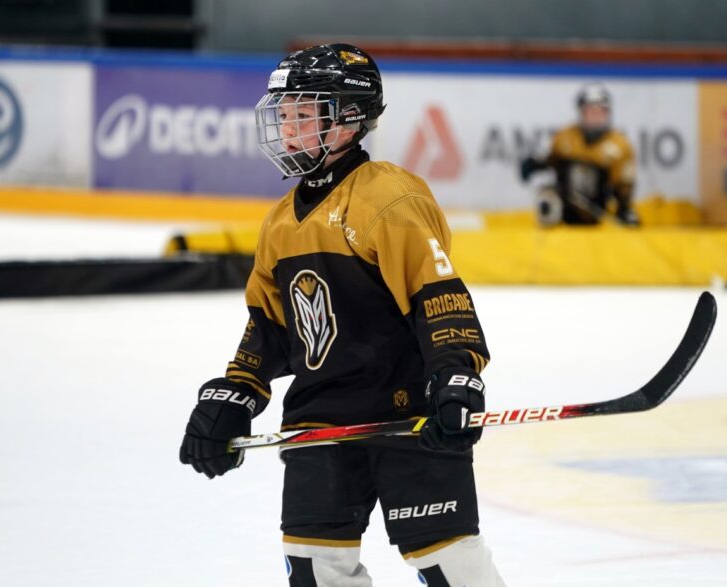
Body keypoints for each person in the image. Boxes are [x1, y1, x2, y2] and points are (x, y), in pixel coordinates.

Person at [178, 44, 505, 587]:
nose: (287, 128)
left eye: (303, 114)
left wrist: (455, 375)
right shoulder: (280, 223)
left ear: (349, 119)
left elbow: (436, 294)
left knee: (451, 566)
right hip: (320, 423)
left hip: (408, 417)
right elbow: (270, 329)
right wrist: (235, 394)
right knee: (316, 572)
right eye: (284, 114)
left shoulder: (387, 198)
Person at [519, 83, 639, 225]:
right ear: (581, 113)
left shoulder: (620, 145)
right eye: (590, 111)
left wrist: (623, 208)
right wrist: (534, 164)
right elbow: (545, 158)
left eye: (600, 112)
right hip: (565, 204)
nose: (595, 117)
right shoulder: (564, 136)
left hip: (597, 209)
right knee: (546, 195)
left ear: (608, 114)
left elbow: (624, 185)